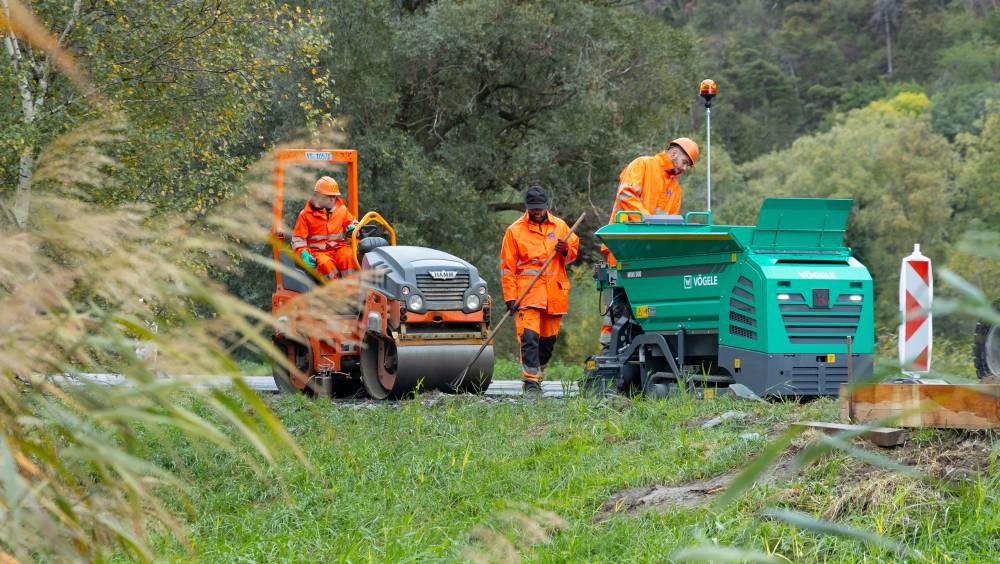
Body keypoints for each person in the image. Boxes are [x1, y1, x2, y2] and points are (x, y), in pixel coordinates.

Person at [599, 138, 699, 351]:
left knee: (644, 305)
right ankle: (611, 349)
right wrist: (646, 221)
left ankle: (638, 350)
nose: (684, 167)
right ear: (673, 153)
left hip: (648, 253)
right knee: (620, 302)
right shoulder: (643, 165)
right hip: (622, 246)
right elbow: (626, 195)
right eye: (684, 161)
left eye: (688, 165)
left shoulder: (675, 189)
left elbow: (670, 224)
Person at [500, 186, 580, 394]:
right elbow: (507, 267)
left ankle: (538, 373)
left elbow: (573, 254)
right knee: (529, 338)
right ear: (527, 208)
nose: (536, 212)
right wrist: (510, 297)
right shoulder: (514, 231)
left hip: (554, 295)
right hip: (527, 294)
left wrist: (565, 251)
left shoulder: (561, 227)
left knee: (547, 343)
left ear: (547, 206)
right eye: (533, 208)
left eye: (540, 208)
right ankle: (531, 381)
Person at [290, 176, 359, 279]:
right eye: (330, 196)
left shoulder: (342, 210)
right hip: (317, 252)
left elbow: (356, 225)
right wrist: (303, 254)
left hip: (338, 248)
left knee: (349, 256)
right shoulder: (305, 215)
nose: (333, 199)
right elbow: (298, 240)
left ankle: (352, 291)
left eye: (334, 196)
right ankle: (336, 292)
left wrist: (354, 228)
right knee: (325, 264)